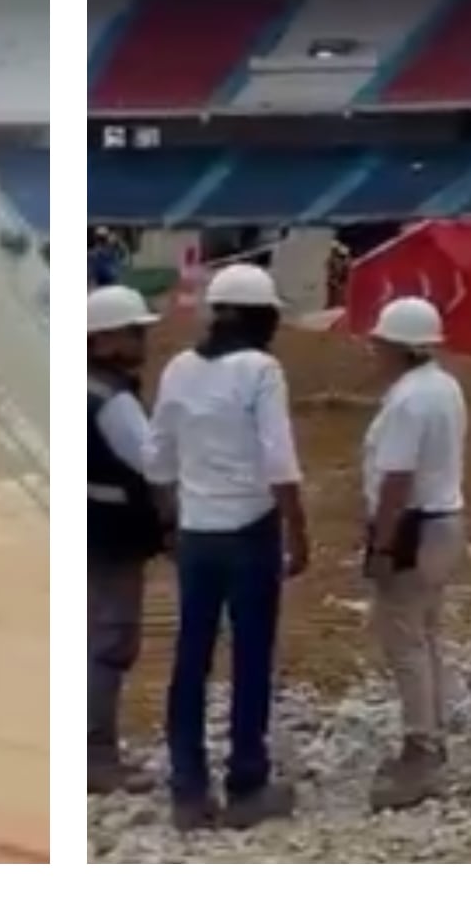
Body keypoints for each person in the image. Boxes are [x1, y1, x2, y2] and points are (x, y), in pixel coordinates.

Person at [146, 261, 310, 831]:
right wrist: (300, 532)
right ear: (264, 318)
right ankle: (246, 783)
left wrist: (174, 524)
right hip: (250, 532)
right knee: (250, 658)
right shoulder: (262, 371)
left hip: (197, 534)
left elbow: (159, 458)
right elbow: (280, 461)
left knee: (190, 658)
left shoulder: (178, 370)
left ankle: (187, 789)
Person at [357, 295, 468, 812]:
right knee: (425, 635)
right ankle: (433, 735)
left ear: (399, 348)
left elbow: (396, 479)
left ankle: (420, 750)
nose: (373, 352)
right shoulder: (444, 386)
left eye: (379, 344)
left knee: (404, 641)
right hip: (445, 520)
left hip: (414, 527)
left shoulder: (406, 401)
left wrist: (381, 545)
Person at [84, 283, 169, 795]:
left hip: (93, 528)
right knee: (111, 639)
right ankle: (94, 753)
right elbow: (154, 463)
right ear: (104, 340)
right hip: (112, 535)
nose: (143, 341)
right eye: (135, 332)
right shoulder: (110, 399)